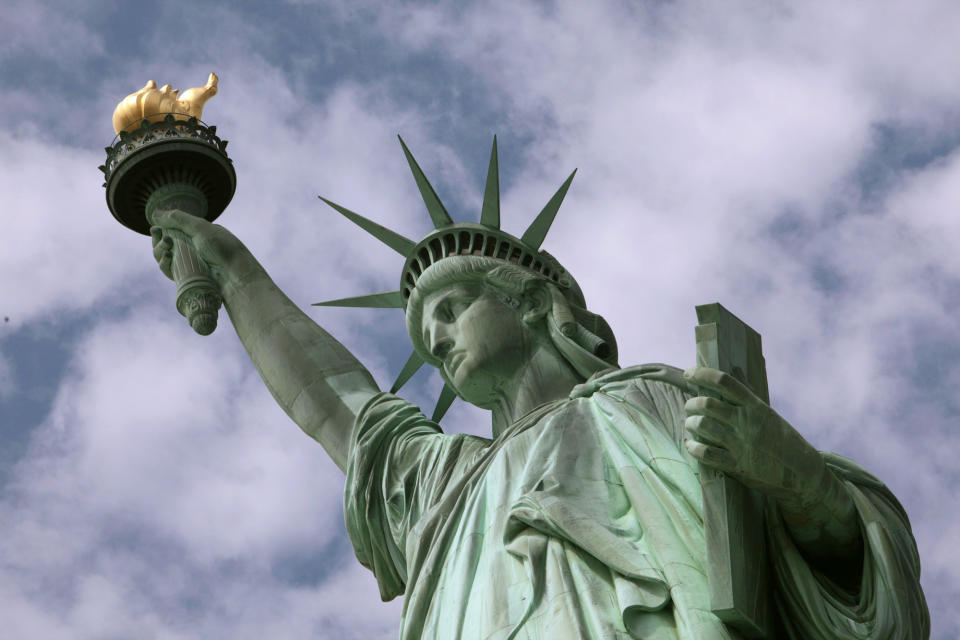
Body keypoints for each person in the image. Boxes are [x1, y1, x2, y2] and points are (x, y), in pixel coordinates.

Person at [149, 141, 929, 639]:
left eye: (452, 310)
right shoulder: (447, 486)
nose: (439, 339)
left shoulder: (658, 401)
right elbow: (338, 408)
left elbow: (853, 563)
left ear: (531, 303)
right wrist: (232, 268)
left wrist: (796, 477)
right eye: (427, 334)